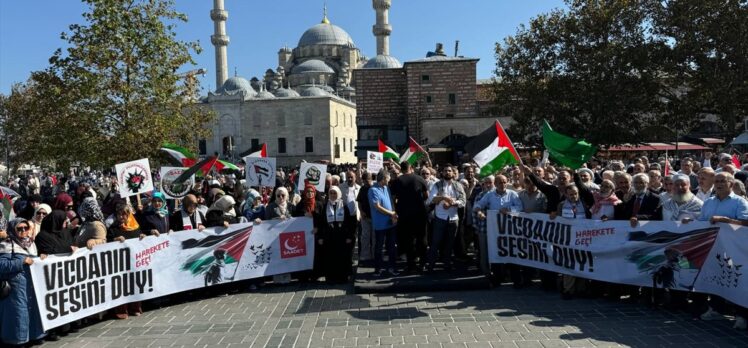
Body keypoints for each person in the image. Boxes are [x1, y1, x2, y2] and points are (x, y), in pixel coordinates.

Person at [696, 172, 748, 329]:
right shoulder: (709, 202)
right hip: (713, 249)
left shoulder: (740, 202)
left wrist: (726, 221)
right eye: (716, 181)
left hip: (735, 250)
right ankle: (717, 309)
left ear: (731, 184)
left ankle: (742, 316)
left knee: (737, 279)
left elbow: (746, 223)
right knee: (716, 277)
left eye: (722, 181)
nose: (718, 184)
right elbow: (702, 222)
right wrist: (689, 222)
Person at [0, 218, 46, 346]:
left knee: (32, 311)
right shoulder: (7, 243)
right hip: (16, 287)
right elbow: (2, 265)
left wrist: (42, 257)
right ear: (13, 230)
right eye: (19, 229)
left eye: (26, 228)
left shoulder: (31, 243)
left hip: (31, 285)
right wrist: (21, 261)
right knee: (18, 313)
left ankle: (34, 336)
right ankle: (17, 340)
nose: (23, 231)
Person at [108, 202, 148, 319]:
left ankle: (135, 308)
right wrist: (115, 239)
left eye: (124, 215)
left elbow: (140, 236)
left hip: (134, 262)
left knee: (135, 284)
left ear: (128, 214)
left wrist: (143, 237)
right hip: (119, 264)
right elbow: (107, 241)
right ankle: (122, 310)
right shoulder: (114, 228)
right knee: (121, 286)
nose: (121, 217)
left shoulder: (135, 227)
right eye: (119, 215)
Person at [390, 162, 429, 273]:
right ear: (411, 168)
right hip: (420, 214)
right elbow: (427, 196)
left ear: (401, 170)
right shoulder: (420, 179)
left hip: (404, 214)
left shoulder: (396, 181)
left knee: (408, 240)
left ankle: (411, 265)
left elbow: (393, 199)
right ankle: (423, 264)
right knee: (422, 239)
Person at [553, 184, 590, 299]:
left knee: (582, 263)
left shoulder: (584, 204)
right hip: (568, 239)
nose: (573, 196)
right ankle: (568, 290)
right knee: (569, 264)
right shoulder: (561, 205)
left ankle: (581, 289)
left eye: (575, 193)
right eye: (571, 194)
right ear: (566, 195)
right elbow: (558, 221)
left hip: (583, 239)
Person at [426, 165, 466, 272]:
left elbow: (463, 201)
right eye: (445, 171)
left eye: (449, 171)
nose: (447, 172)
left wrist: (452, 203)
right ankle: (431, 265)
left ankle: (447, 264)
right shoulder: (437, 185)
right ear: (442, 173)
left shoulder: (458, 185)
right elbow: (432, 199)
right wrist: (444, 197)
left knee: (450, 243)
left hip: (453, 218)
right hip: (440, 217)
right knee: (435, 242)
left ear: (453, 173)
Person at [318, 186, 356, 284]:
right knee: (330, 257)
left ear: (338, 194)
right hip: (329, 237)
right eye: (331, 193)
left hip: (341, 236)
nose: (333, 195)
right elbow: (322, 223)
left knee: (342, 257)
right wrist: (321, 237)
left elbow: (349, 222)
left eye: (335, 193)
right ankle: (331, 278)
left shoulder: (344, 205)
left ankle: (343, 277)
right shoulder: (325, 206)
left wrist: (349, 236)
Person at [368, 169, 399, 276]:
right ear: (383, 178)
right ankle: (378, 269)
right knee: (379, 247)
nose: (390, 179)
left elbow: (391, 201)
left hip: (390, 222)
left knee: (391, 246)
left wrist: (394, 213)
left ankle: (392, 268)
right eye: (388, 178)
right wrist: (391, 213)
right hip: (380, 224)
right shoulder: (373, 190)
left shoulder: (386, 188)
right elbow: (377, 207)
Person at [356, 172, 375, 263]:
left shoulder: (375, 188)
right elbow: (359, 202)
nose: (365, 182)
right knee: (365, 237)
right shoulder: (362, 189)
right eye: (364, 180)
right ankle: (365, 256)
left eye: (366, 180)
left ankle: (375, 255)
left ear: (371, 179)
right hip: (365, 217)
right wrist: (361, 212)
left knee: (375, 237)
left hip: (375, 217)